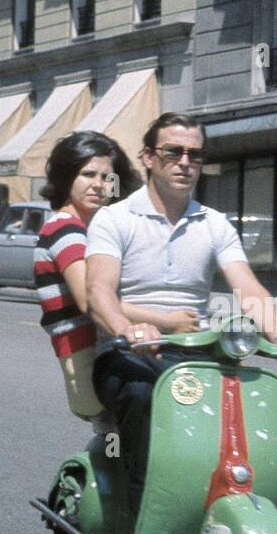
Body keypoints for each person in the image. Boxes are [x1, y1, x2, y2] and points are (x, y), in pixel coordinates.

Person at [85, 111, 277, 512]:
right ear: (147, 157)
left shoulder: (214, 224)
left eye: (195, 155)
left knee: (248, 398)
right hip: (127, 354)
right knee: (143, 395)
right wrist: (127, 329)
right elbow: (98, 291)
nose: (185, 163)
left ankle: (235, 489)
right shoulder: (114, 218)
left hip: (195, 352)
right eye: (173, 152)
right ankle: (146, 508)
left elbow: (247, 287)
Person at [35, 130, 201, 421]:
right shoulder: (66, 229)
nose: (98, 185)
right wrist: (168, 321)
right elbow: (92, 301)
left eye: (106, 177)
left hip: (117, 350)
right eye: (88, 174)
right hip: (88, 360)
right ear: (66, 177)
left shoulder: (98, 229)